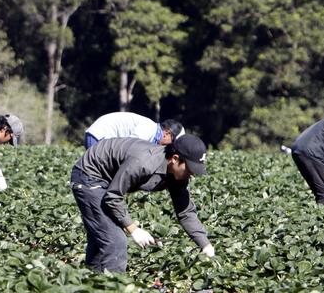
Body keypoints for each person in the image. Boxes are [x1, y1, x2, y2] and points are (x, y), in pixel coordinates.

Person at [70, 135, 215, 273]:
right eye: (189, 169)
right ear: (175, 159)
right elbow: (113, 197)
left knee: (102, 236)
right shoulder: (144, 163)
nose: (191, 174)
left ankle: (93, 282)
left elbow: (185, 212)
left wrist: (205, 244)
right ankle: (111, 292)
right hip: (89, 175)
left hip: (108, 180)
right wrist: (134, 229)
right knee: (115, 241)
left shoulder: (179, 176)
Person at [84, 111, 184, 149]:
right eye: (172, 142)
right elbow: (129, 147)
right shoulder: (148, 129)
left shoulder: (151, 131)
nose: (169, 145)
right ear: (167, 133)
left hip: (100, 136)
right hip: (99, 136)